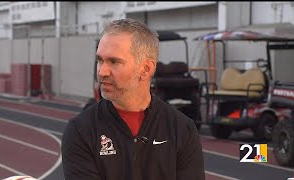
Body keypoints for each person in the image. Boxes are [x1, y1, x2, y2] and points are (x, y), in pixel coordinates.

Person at [61, 18, 205, 180]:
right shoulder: (81, 130)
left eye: (114, 61)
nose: (102, 72)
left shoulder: (182, 129)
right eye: (100, 60)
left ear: (146, 69)